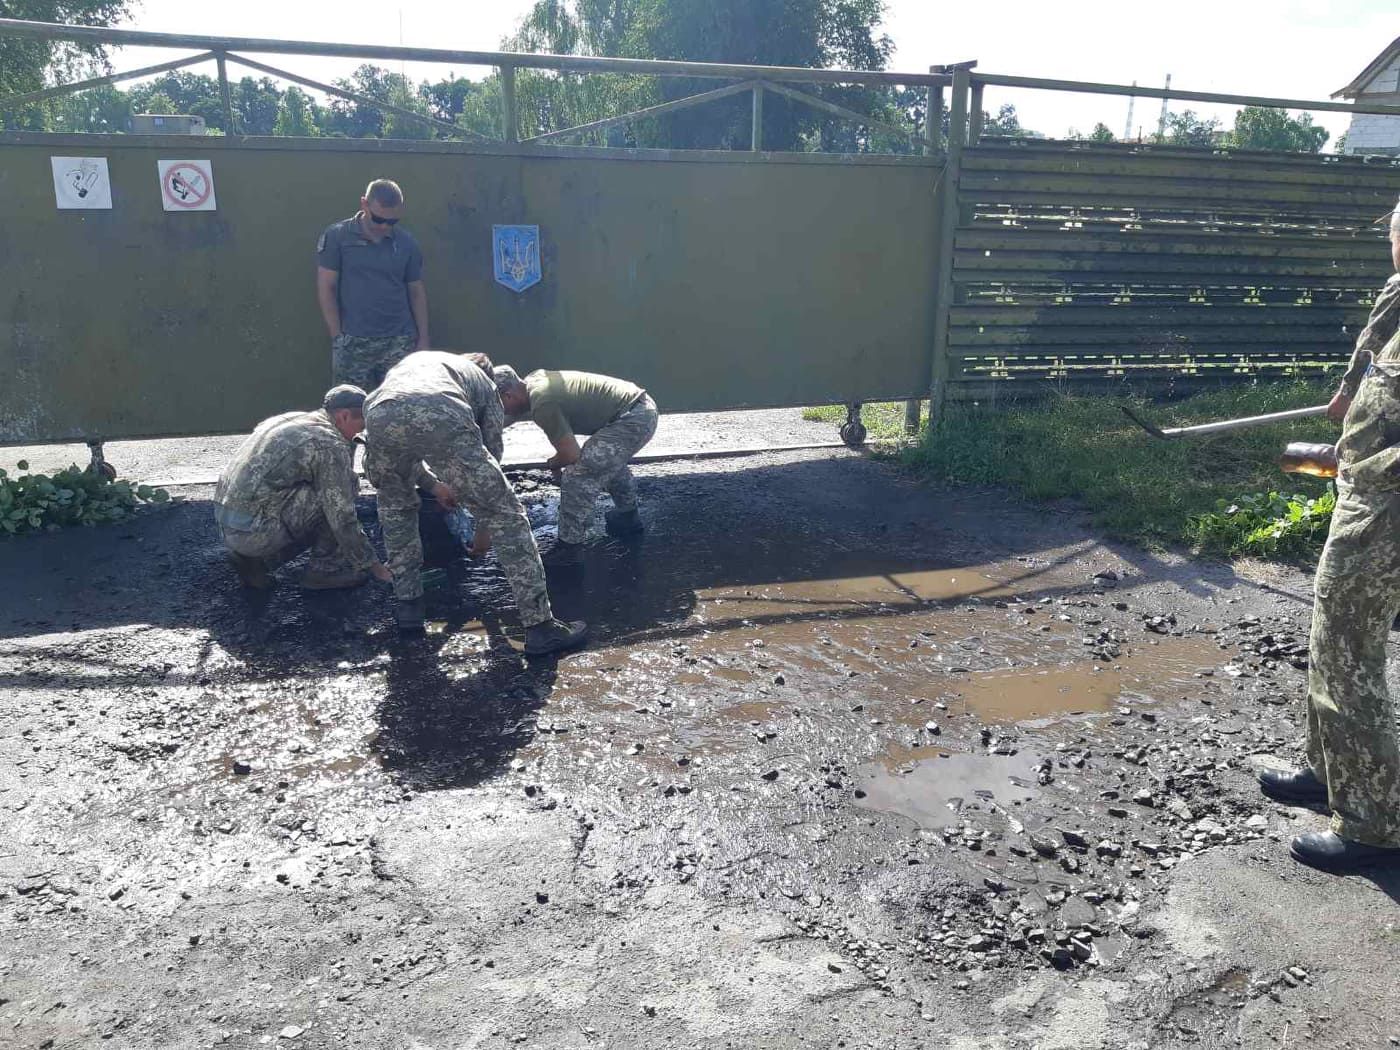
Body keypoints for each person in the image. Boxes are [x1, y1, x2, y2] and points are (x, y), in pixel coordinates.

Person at [1258, 196, 1400, 874]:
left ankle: (1376, 822)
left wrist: (1367, 466)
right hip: (1365, 497)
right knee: (1328, 634)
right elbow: (1382, 322)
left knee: (1348, 648)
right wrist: (1349, 403)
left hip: (1389, 510)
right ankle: (1330, 770)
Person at [362, 350, 587, 655]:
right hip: (439, 407)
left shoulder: (427, 363)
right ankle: (540, 627)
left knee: (396, 509)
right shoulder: (485, 384)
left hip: (376, 410)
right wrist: (483, 534)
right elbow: (491, 461)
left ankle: (408, 609)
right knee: (507, 514)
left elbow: (405, 424)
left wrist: (437, 481)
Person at [214, 385, 408, 591]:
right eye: (362, 424)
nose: (361, 433)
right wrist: (374, 566)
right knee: (339, 494)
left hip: (229, 524)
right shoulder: (328, 444)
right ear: (343, 416)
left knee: (316, 493)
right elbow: (342, 517)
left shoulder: (291, 419)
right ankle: (325, 571)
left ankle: (259, 562)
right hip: (254, 533)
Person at [493, 366, 658, 567]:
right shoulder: (532, 382)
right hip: (637, 409)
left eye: (500, 406)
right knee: (605, 461)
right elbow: (511, 414)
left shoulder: (543, 403)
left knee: (578, 475)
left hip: (633, 420)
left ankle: (568, 548)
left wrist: (552, 463)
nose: (502, 412)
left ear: (508, 395)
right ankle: (628, 517)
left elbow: (570, 454)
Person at [316, 178, 430, 390]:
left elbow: (416, 291)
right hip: (354, 342)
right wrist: (338, 337)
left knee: (401, 406)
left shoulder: (406, 243)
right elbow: (327, 287)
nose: (384, 226)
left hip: (399, 341)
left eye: (392, 221)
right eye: (378, 219)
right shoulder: (338, 237)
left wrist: (422, 339)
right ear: (364, 204)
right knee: (350, 411)